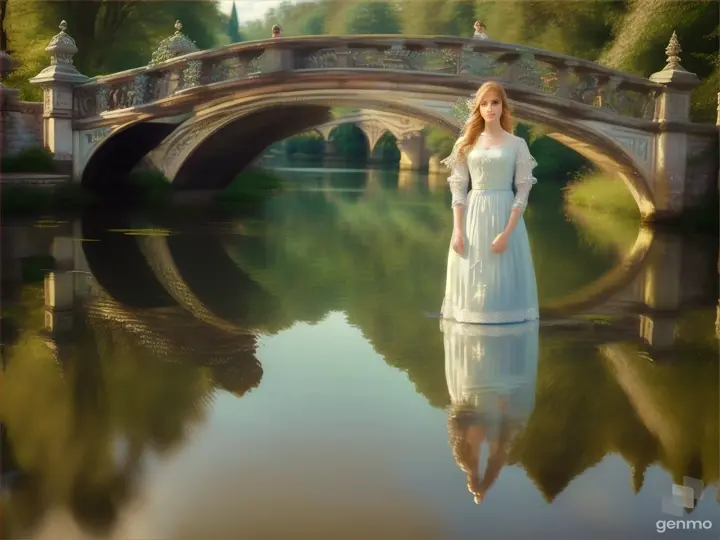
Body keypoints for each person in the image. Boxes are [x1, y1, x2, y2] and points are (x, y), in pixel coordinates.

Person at [439, 81, 539, 325]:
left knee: (500, 276)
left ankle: (503, 334)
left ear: (503, 106)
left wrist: (507, 233)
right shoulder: (465, 143)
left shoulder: (517, 144)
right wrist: (458, 230)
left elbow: (523, 189)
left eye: (495, 102)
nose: (490, 108)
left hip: (505, 213)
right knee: (472, 275)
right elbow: (459, 187)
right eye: (484, 103)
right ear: (478, 109)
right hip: (473, 215)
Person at [442, 318, 539, 503]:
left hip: (477, 369)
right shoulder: (495, 428)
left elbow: (490, 456)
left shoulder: (465, 426)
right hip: (498, 369)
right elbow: (497, 457)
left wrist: (473, 477)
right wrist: (482, 483)